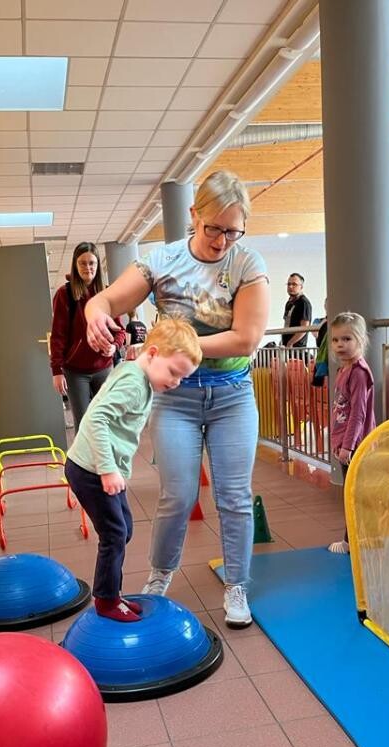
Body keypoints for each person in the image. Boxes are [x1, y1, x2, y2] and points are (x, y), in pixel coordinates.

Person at [83, 170, 270, 628]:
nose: (222, 241)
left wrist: (175, 348)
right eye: (213, 228)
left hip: (232, 394)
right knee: (177, 495)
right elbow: (106, 300)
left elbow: (246, 339)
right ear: (193, 215)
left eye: (233, 231)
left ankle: (237, 584)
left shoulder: (247, 263)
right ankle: (160, 574)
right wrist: (94, 312)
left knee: (234, 496)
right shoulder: (162, 260)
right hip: (175, 397)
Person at [65, 319, 201, 623]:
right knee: (114, 533)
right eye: (174, 372)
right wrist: (108, 470)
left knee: (123, 528)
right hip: (90, 469)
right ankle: (106, 600)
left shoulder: (136, 374)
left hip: (96, 467)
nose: (176, 382)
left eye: (182, 377)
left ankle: (111, 592)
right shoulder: (134, 383)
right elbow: (96, 419)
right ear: (152, 354)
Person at [49, 242, 125, 429]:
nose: (87, 267)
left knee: (106, 420)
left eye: (91, 263)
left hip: (103, 367)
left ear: (97, 265)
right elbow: (58, 336)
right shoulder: (64, 294)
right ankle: (83, 451)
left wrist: (114, 346)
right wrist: (57, 370)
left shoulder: (107, 293)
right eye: (82, 263)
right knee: (84, 423)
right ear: (75, 265)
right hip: (75, 372)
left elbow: (120, 330)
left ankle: (105, 450)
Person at [328, 311, 376, 555]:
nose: (340, 345)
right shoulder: (344, 370)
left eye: (347, 339)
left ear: (360, 340)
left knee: (353, 495)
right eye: (336, 340)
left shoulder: (358, 372)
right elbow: (341, 409)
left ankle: (351, 542)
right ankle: (358, 539)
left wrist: (348, 446)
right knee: (352, 493)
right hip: (347, 442)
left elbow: (358, 413)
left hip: (356, 445)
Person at [282, 273, 313, 348]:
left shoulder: (304, 303)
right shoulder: (289, 303)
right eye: (288, 284)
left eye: (294, 284)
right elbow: (287, 324)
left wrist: (290, 342)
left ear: (301, 287)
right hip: (286, 346)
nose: (290, 286)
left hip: (297, 348)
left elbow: (305, 328)